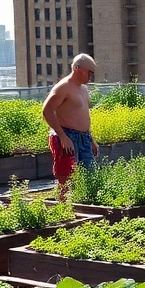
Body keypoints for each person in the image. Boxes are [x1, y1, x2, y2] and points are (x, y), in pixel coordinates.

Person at [42, 53, 99, 192]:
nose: (90, 76)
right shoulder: (64, 87)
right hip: (67, 136)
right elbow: (47, 110)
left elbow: (82, 115)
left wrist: (91, 139)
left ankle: (84, 202)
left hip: (84, 138)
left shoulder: (83, 89)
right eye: (89, 72)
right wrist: (62, 136)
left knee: (90, 177)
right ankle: (64, 204)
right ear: (77, 69)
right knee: (67, 179)